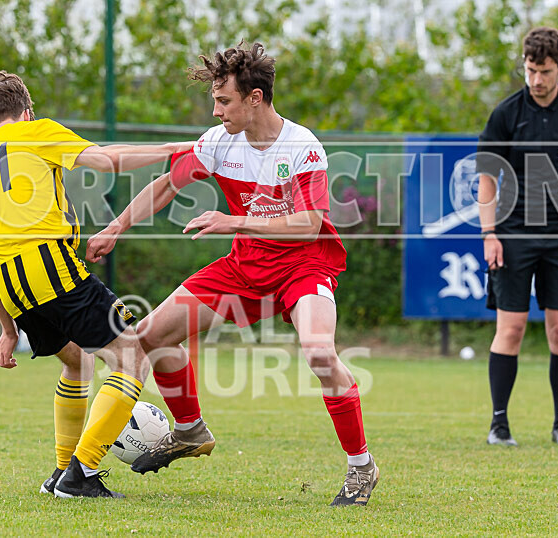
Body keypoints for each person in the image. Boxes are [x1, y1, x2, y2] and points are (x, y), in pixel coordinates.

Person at [87, 42, 378, 507]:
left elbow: (308, 225)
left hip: (303, 265)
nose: (216, 110)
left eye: (224, 101)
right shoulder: (219, 143)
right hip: (245, 268)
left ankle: (361, 467)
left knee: (321, 353)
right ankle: (188, 430)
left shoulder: (302, 147)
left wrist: (234, 220)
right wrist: (116, 227)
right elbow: (166, 185)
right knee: (148, 336)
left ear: (255, 99)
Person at [0, 71, 191, 498]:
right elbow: (104, 160)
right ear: (27, 112)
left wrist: (8, 330)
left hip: (12, 286)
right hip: (49, 266)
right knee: (132, 355)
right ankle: (81, 473)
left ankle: (61, 473)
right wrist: (170, 149)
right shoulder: (36, 132)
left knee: (78, 364)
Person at [477, 27, 558, 446]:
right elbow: (487, 180)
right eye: (530, 70)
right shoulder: (506, 114)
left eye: (544, 71)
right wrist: (489, 234)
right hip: (512, 236)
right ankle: (499, 424)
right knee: (510, 329)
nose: (536, 79)